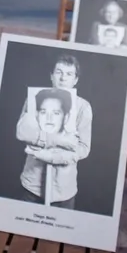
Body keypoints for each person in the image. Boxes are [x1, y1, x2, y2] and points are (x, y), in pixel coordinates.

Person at [16, 55, 93, 209]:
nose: (63, 78)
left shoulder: (83, 107)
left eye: (69, 74)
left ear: (75, 80)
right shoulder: (35, 99)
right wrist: (60, 140)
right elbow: (23, 132)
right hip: (32, 185)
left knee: (59, 231)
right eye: (59, 72)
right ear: (51, 76)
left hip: (63, 190)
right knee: (23, 230)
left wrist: (51, 156)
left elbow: (83, 148)